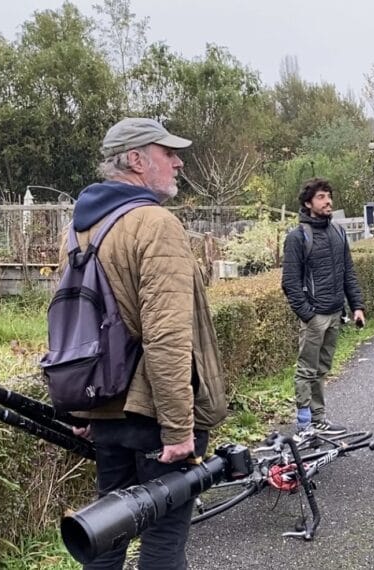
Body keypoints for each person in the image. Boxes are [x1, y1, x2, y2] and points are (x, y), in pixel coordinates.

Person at [67, 117, 227, 570]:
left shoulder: (83, 228)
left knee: (107, 533)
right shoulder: (154, 224)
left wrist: (80, 407)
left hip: (106, 407)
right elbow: (168, 336)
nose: (178, 162)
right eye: (167, 153)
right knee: (164, 537)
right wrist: (178, 429)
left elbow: (71, 323)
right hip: (155, 414)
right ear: (137, 160)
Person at [281, 177, 366, 437]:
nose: (327, 200)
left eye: (328, 195)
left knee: (322, 368)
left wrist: (357, 306)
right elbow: (290, 282)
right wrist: (308, 314)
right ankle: (305, 423)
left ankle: (319, 419)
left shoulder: (337, 233)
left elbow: (348, 273)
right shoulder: (297, 238)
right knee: (307, 370)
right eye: (321, 197)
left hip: (335, 312)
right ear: (308, 203)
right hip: (315, 316)